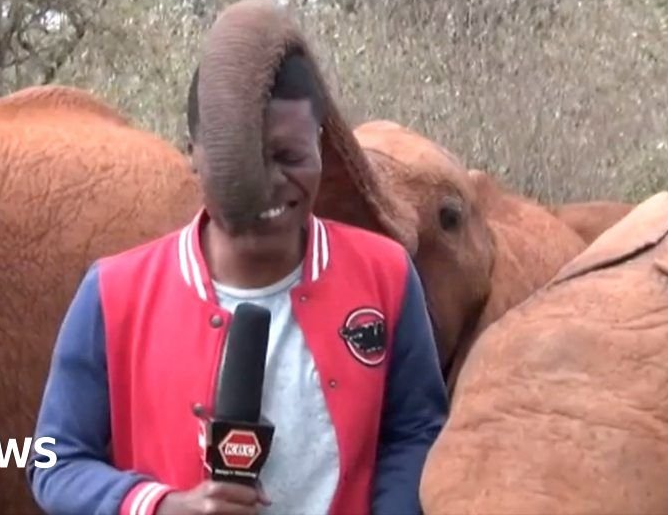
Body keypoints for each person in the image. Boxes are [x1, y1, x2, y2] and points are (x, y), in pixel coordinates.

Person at [26, 49, 449, 515]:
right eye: (239, 161)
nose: (265, 184)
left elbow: (414, 431)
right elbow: (55, 461)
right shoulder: (113, 293)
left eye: (288, 156)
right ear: (194, 155)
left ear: (320, 150)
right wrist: (161, 507)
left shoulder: (384, 274)